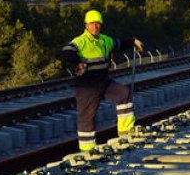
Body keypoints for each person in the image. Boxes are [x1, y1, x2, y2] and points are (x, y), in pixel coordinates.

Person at [60, 10, 144, 150]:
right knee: (87, 117)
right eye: (92, 23)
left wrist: (133, 41)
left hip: (104, 82)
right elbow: (66, 53)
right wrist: (77, 63)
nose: (95, 26)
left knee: (124, 94)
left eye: (97, 23)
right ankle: (88, 151)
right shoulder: (80, 41)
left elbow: (118, 43)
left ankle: (125, 133)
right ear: (86, 25)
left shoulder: (104, 40)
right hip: (87, 86)